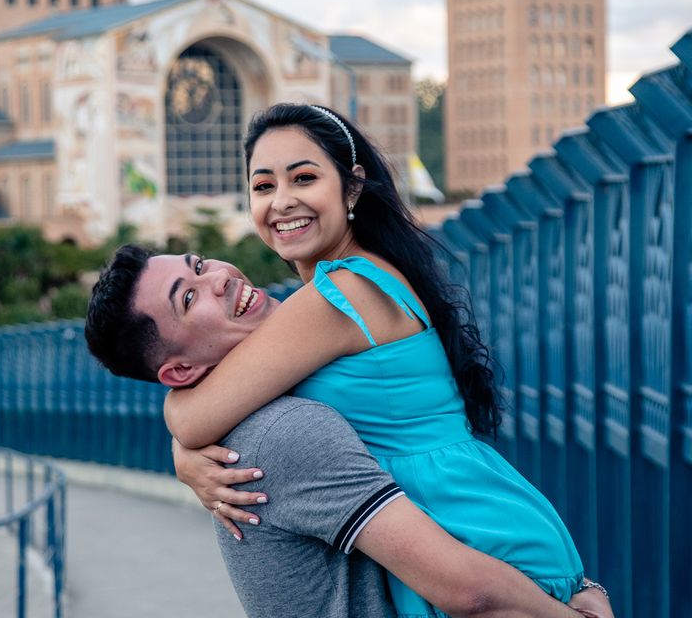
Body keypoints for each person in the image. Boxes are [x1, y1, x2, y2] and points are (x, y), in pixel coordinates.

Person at [162, 103, 609, 618]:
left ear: (352, 188)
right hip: (477, 527)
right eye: (263, 187)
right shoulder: (363, 277)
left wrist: (184, 451)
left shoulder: (338, 296)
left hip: (472, 546)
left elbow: (195, 416)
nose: (282, 202)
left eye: (303, 178)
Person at [85, 246, 611, 618]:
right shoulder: (285, 431)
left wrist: (181, 447)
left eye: (199, 264)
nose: (218, 277)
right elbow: (467, 592)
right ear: (178, 375)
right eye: (188, 297)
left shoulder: (279, 402)